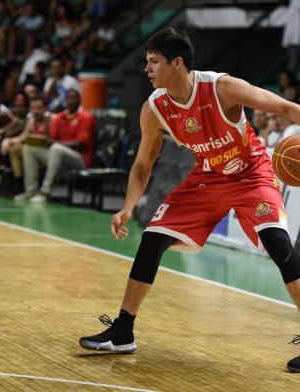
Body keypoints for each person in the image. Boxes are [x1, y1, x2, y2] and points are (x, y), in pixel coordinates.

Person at [79, 27, 300, 372]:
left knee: (279, 245)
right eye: (146, 62)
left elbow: (286, 108)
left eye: (153, 62)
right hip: (207, 178)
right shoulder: (155, 108)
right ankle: (123, 331)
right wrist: (127, 206)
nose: (147, 69)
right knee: (152, 238)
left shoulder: (222, 87)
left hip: (250, 174)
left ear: (176, 63)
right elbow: (143, 164)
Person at [17, 89, 94, 203]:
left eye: (73, 98)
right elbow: (51, 139)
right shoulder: (59, 117)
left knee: (56, 148)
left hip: (80, 159)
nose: (70, 101)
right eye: (68, 98)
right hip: (57, 157)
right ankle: (30, 191)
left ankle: (45, 192)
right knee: (28, 148)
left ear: (80, 101)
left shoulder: (86, 117)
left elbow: (80, 144)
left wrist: (54, 143)